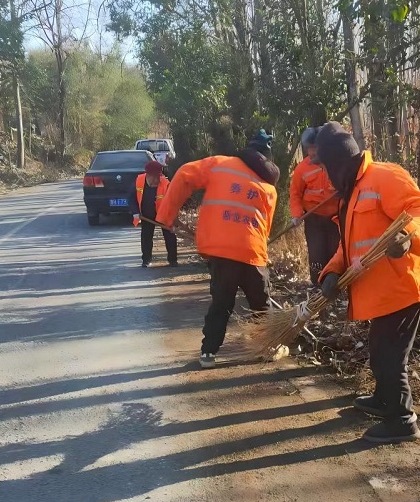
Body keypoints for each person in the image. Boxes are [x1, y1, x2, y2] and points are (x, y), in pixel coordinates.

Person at [316, 121, 420, 445]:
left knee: (389, 355)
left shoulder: (385, 176)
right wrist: (330, 273)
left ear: (338, 163)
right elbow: (348, 246)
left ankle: (401, 419)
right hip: (381, 292)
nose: (326, 177)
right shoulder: (350, 196)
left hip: (403, 285)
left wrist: (408, 235)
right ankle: (385, 401)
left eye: (327, 168)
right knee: (378, 350)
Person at [157, 130, 279, 369]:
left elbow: (183, 174)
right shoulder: (269, 188)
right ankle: (270, 346)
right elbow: (265, 227)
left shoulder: (220, 165)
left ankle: (208, 354)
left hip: (220, 251)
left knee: (221, 303)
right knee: (261, 302)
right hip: (252, 252)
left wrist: (166, 216)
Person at [289, 126, 340, 286]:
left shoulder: (336, 163)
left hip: (336, 218)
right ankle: (318, 288)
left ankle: (336, 288)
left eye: (315, 147)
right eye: (309, 148)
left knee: (336, 255)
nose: (312, 152)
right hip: (313, 218)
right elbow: (295, 194)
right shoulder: (301, 169)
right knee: (317, 256)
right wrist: (297, 215)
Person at [135, 160, 178, 267]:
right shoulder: (139, 181)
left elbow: (173, 204)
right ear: (148, 175)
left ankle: (173, 260)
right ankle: (146, 260)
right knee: (146, 237)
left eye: (158, 177)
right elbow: (131, 198)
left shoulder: (165, 184)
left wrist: (173, 222)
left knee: (170, 235)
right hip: (146, 215)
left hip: (163, 215)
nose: (157, 180)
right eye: (154, 177)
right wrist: (135, 212)